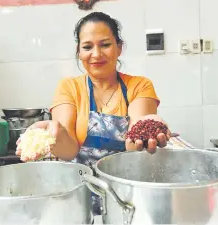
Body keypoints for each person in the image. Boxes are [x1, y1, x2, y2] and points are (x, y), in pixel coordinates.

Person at [16, 11, 170, 215]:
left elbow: (133, 144)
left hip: (127, 197)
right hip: (80, 197)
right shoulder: (69, 87)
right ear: (79, 52)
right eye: (87, 47)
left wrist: (145, 132)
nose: (96, 54)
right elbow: (69, 150)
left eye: (105, 44)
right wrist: (52, 134)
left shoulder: (139, 85)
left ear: (119, 48)